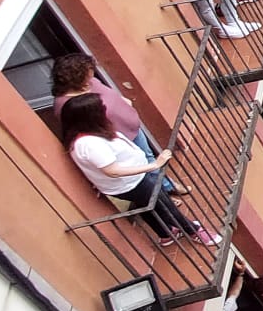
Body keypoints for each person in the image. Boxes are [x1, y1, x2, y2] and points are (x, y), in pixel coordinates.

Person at [60, 92, 211, 244]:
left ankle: (166, 234)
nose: (105, 109)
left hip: (131, 181)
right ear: (90, 116)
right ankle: (193, 231)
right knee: (164, 204)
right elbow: (112, 170)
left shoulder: (86, 136)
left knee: (146, 205)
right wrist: (153, 165)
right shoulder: (89, 144)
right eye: (100, 108)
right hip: (132, 182)